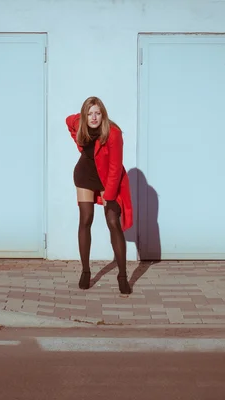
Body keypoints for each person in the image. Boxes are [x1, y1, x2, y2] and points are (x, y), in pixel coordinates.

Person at [66, 96, 133, 295]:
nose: (93, 117)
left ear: (103, 114)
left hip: (106, 179)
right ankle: (85, 271)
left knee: (113, 222)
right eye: (89, 113)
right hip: (84, 175)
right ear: (85, 115)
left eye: (97, 113)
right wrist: (79, 141)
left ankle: (122, 276)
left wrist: (110, 195)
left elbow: (115, 168)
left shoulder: (113, 133)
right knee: (85, 220)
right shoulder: (80, 124)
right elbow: (69, 120)